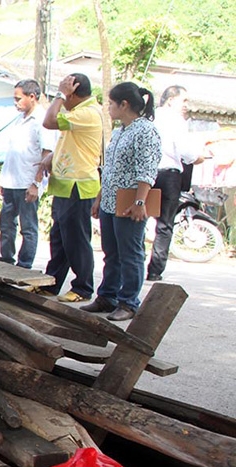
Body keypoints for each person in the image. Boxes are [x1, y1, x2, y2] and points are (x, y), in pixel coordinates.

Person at [81, 82, 162, 322]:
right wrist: (99, 198)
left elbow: (146, 170)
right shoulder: (119, 132)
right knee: (111, 253)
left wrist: (139, 202)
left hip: (129, 201)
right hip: (109, 200)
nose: (108, 108)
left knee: (130, 253)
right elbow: (109, 170)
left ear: (124, 104)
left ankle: (128, 302)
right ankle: (108, 296)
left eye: (111, 104)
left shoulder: (145, 131)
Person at [41, 73, 102, 302]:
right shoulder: (76, 113)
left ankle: (83, 287)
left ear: (72, 92)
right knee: (60, 238)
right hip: (65, 183)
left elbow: (48, 122)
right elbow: (71, 143)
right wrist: (52, 157)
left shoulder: (87, 113)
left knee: (76, 238)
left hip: (79, 183)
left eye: (66, 93)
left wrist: (59, 94)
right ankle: (52, 282)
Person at [147, 85, 205, 281]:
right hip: (168, 176)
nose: (186, 106)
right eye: (184, 101)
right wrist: (199, 157)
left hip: (147, 174)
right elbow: (187, 152)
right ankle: (155, 270)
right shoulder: (177, 121)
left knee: (139, 218)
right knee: (165, 224)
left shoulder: (150, 116)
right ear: (171, 99)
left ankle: (136, 263)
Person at [0, 79, 55, 269]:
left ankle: (24, 264)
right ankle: (6, 260)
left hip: (27, 182)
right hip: (11, 181)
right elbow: (12, 152)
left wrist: (36, 184)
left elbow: (47, 154)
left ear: (32, 97)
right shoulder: (19, 119)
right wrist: (2, 179)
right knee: (6, 225)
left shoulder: (41, 120)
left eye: (18, 99)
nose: (15, 103)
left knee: (28, 227)